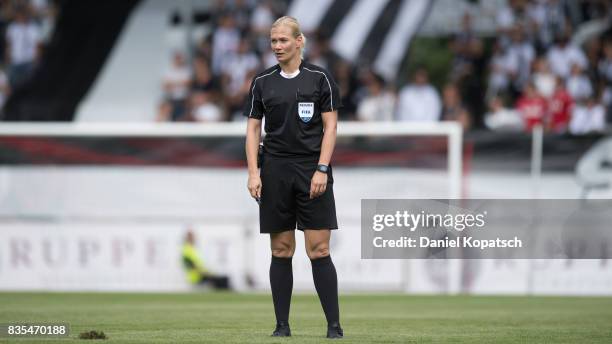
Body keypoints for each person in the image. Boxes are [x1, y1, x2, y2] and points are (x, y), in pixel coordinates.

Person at [244, 16, 343, 339]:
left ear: (300, 42)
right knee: (281, 249)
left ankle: (333, 326)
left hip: (312, 169)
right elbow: (252, 130)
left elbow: (331, 127)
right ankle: (282, 326)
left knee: (319, 250)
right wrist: (253, 172)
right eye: (273, 41)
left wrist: (322, 169)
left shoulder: (320, 79)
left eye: (283, 40)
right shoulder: (262, 82)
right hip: (275, 171)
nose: (277, 46)